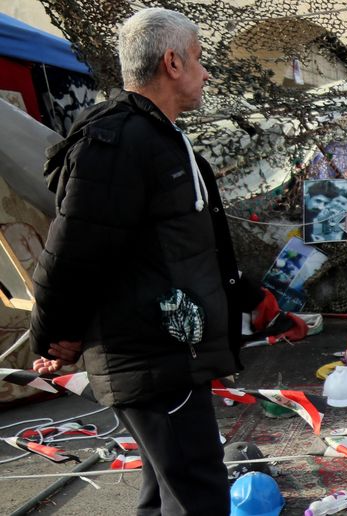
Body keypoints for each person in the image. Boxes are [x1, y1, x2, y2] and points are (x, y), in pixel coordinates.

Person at [29, 8, 271, 514]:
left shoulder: (160, 138)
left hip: (165, 354)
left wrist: (249, 297)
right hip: (151, 356)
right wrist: (55, 334)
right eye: (200, 60)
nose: (206, 73)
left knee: (167, 492)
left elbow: (186, 248)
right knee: (196, 494)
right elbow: (71, 251)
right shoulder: (119, 142)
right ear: (173, 63)